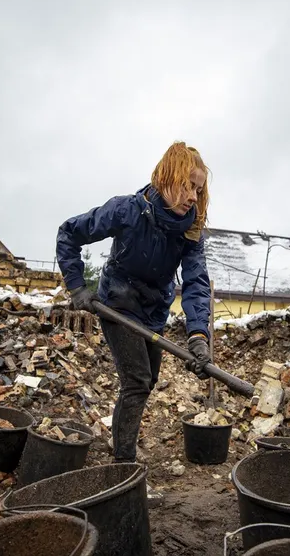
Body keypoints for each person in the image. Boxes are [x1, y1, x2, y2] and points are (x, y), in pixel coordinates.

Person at [55, 141, 213, 464]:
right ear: (166, 178)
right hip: (117, 304)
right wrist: (77, 286)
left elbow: (196, 283)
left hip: (154, 312)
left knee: (148, 380)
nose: (193, 197)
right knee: (137, 380)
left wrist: (199, 336)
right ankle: (123, 463)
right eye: (187, 186)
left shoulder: (191, 232)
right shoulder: (126, 210)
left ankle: (122, 443)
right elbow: (69, 233)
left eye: (198, 189)